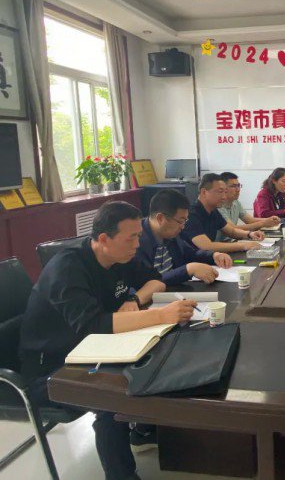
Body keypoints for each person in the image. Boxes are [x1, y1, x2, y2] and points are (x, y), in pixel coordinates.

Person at [20, 201, 198, 480]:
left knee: (161, 354)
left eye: (139, 236)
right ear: (104, 239)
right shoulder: (68, 267)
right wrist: (161, 315)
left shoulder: (119, 257)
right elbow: (93, 326)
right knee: (111, 395)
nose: (137, 245)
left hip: (96, 348)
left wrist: (134, 299)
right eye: (131, 238)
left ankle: (143, 430)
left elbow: (156, 280)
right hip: (53, 368)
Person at [136, 189, 233, 285]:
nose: (182, 227)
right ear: (160, 218)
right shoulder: (136, 241)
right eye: (181, 221)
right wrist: (188, 270)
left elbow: (189, 253)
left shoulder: (169, 233)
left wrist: (214, 256)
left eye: (185, 221)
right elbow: (148, 282)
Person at [183, 173, 265, 253]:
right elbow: (207, 246)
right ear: (204, 192)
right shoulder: (191, 214)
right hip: (192, 261)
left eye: (225, 192)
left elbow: (231, 231)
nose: (224, 197)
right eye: (220, 192)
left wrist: (250, 234)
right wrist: (243, 245)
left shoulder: (213, 211)